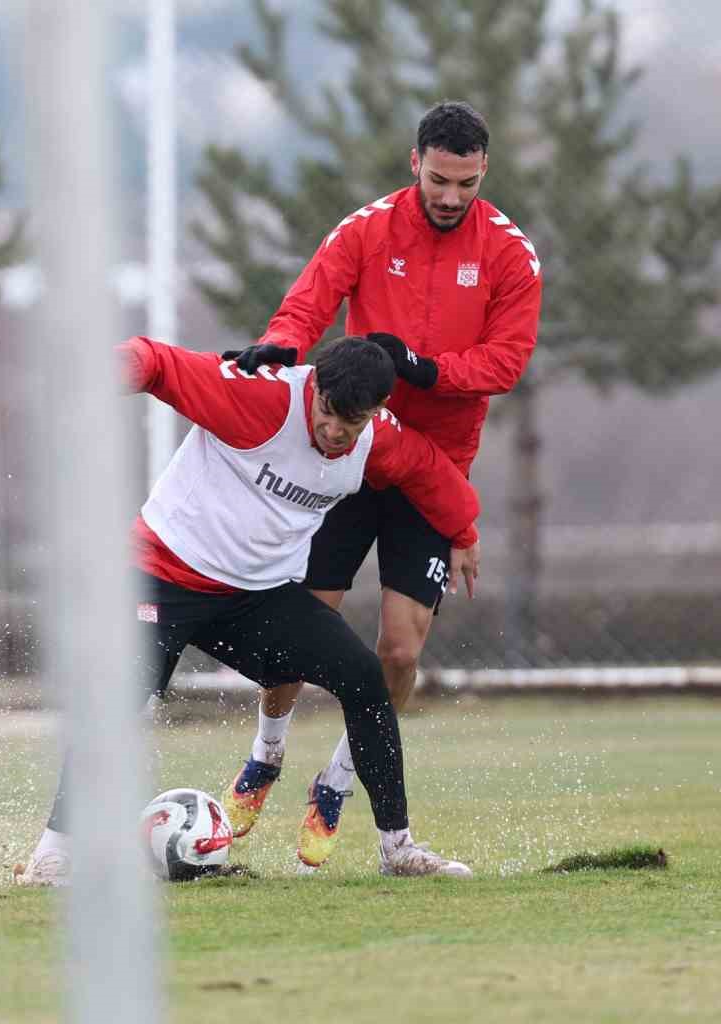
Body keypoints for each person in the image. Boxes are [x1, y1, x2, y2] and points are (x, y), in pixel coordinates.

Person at [15, 334, 481, 886]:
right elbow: (158, 362)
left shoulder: (377, 440)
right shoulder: (257, 398)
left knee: (363, 677)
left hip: (253, 598)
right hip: (162, 576)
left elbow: (430, 473)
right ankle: (52, 854)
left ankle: (398, 849)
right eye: (328, 411)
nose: (335, 431)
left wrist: (463, 530)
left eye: (351, 422)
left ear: (375, 413)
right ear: (315, 388)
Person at [219, 100, 542, 869]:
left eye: (465, 183)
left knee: (398, 652)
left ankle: (334, 783)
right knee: (299, 633)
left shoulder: (510, 254)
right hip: (351, 454)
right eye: (438, 179)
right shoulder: (367, 228)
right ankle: (265, 754)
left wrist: (424, 370)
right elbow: (310, 300)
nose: (450, 196)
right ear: (414, 163)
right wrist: (279, 346)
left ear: (484, 171)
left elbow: (507, 362)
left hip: (434, 470)